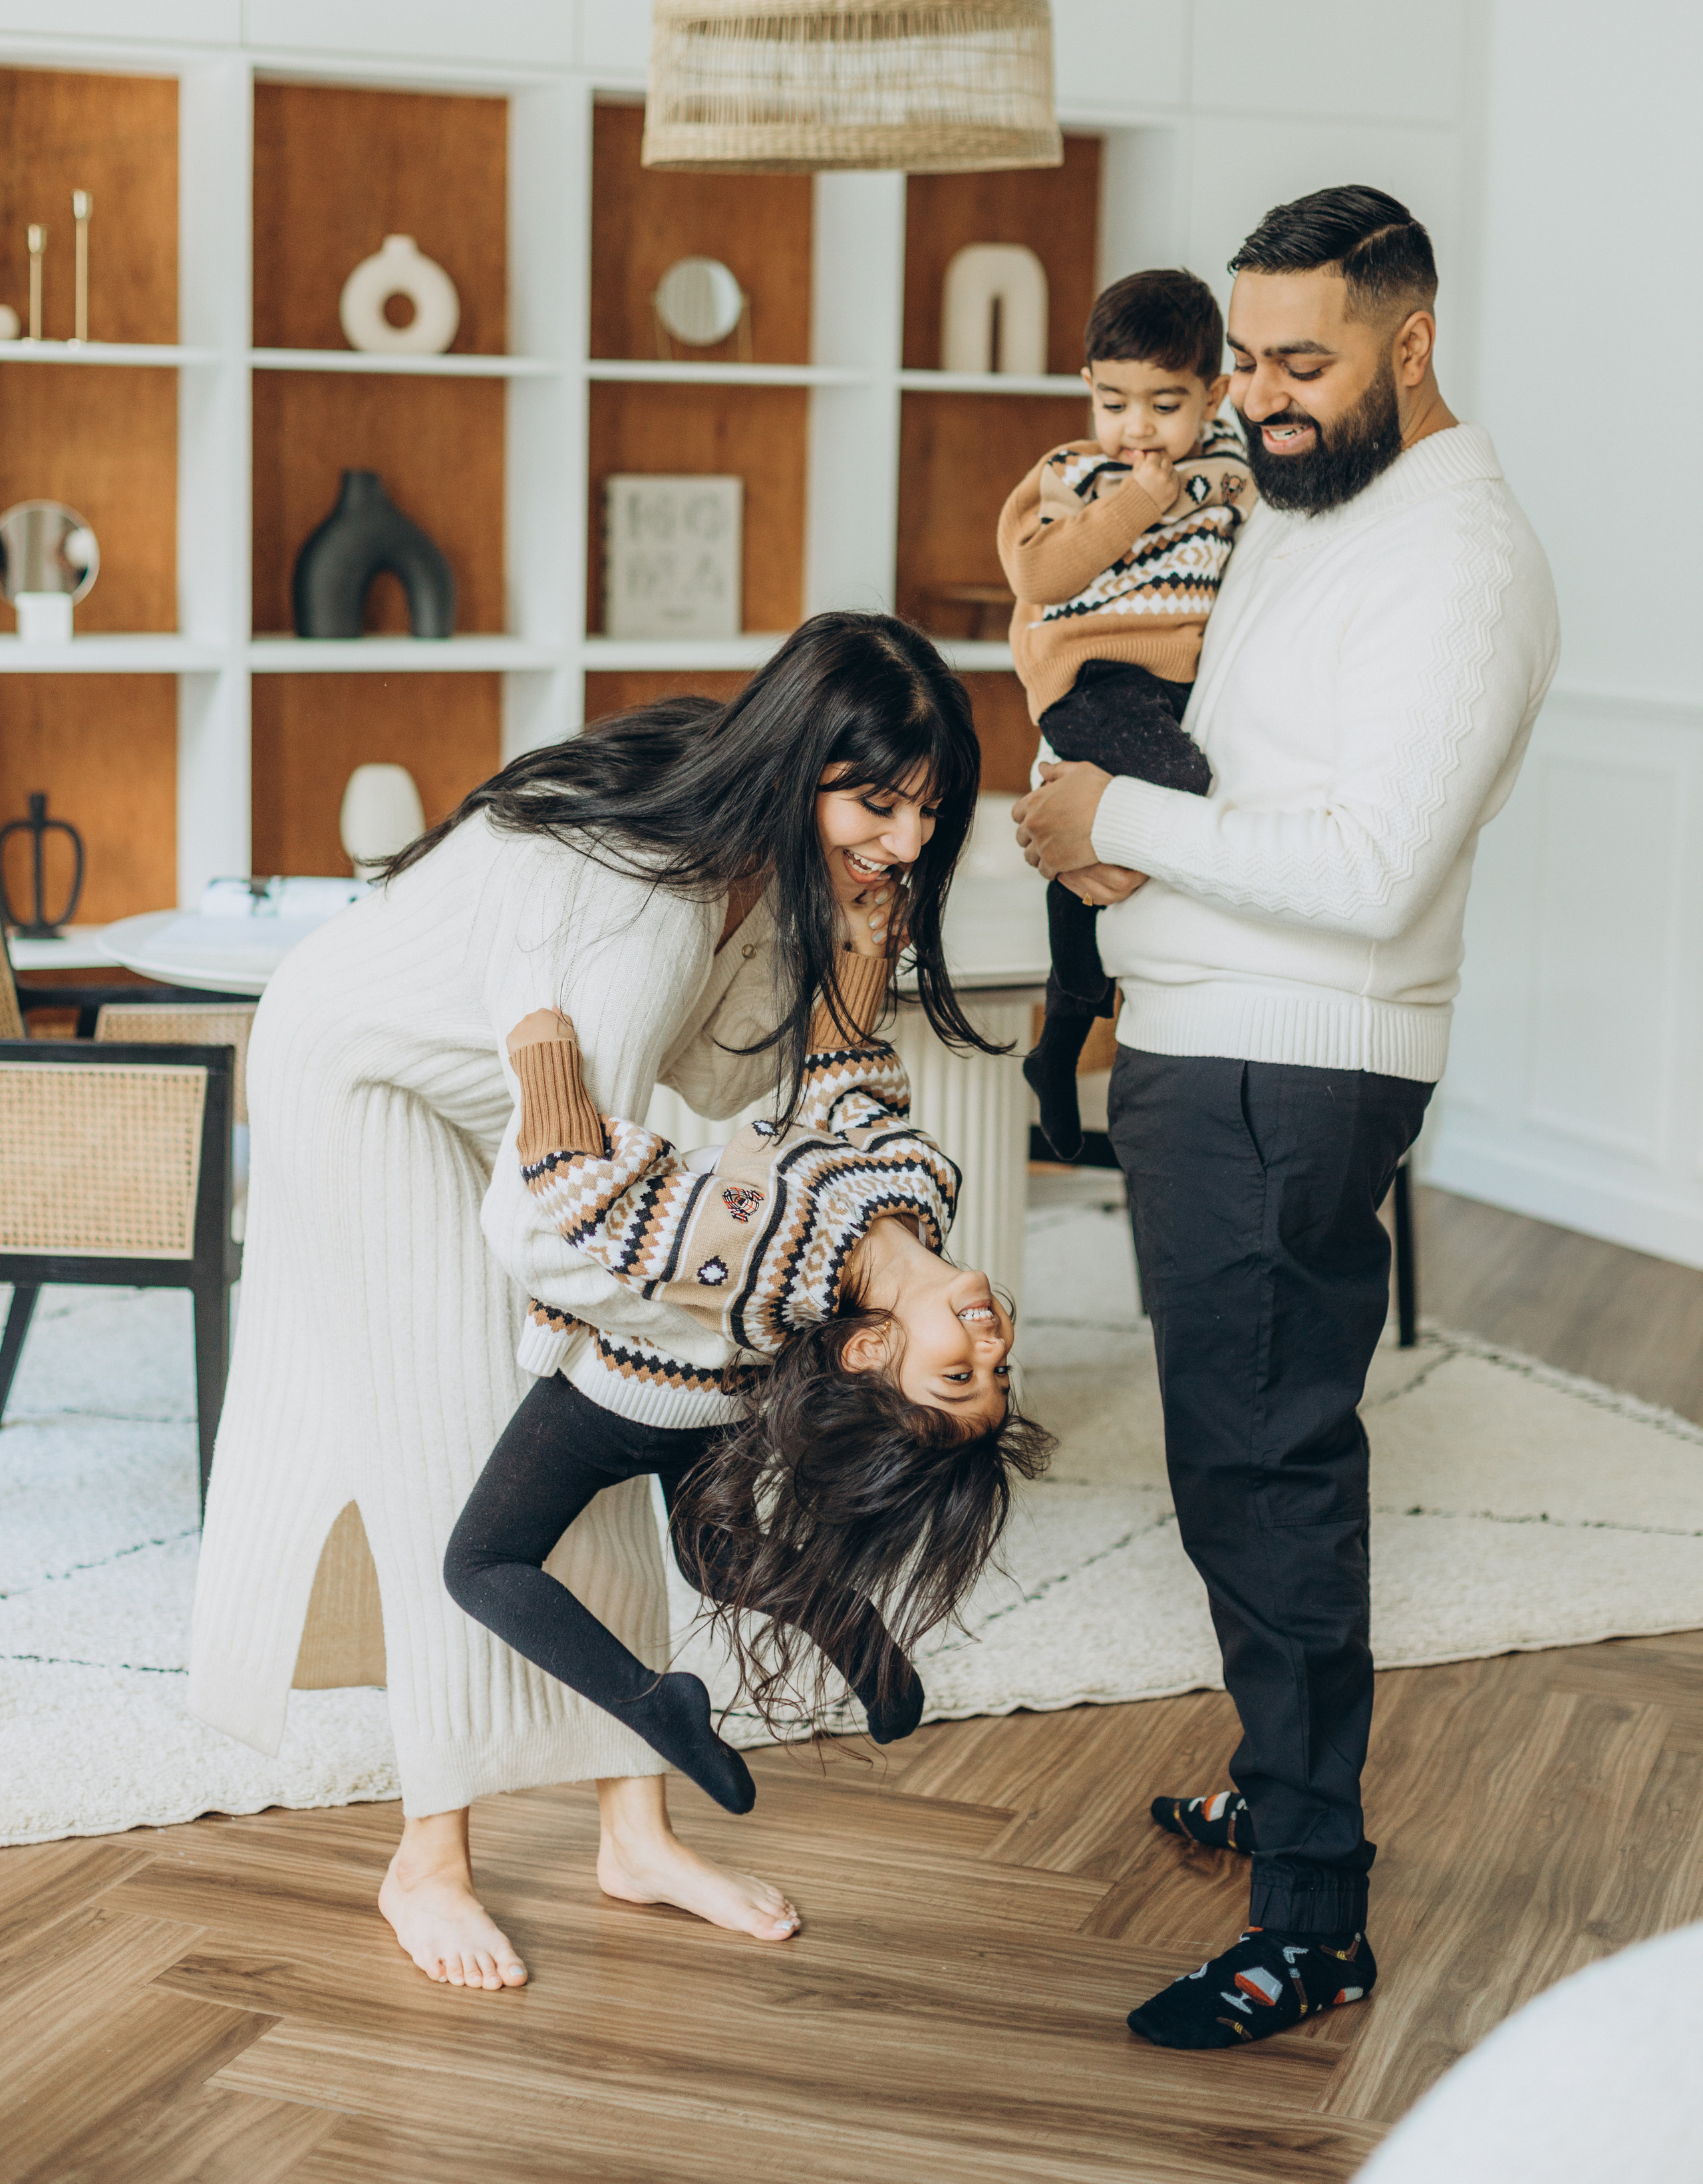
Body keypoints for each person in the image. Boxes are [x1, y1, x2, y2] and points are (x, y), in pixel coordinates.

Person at [190, 613, 992, 1993]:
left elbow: (752, 1090)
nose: (908, 842)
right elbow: (550, 1222)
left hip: (531, 1121)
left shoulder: (783, 854)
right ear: (798, 761)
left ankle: (637, 1835)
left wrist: (852, 971)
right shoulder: (639, 912)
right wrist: (740, 1310)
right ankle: (427, 1860)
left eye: (929, 809)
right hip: (366, 1074)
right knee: (456, 1453)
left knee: (624, 1423)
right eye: (879, 803)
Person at [1012, 186, 1559, 2050]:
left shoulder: (1459, 558)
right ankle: (1282, 1785)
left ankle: (1314, 1921)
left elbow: (1376, 866)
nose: (1257, 397)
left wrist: (1113, 821)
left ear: (1412, 340)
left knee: (1267, 1477)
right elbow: (1238, 760)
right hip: (1209, 1045)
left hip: (1291, 1064)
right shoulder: (1316, 508)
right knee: (1230, 1461)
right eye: (1241, 359)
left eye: (1300, 362)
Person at [443, 947, 1050, 1811]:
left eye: (959, 1374)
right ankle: (849, 1624)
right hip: (726, 1403)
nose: (990, 1346)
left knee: (481, 1563)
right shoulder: (923, 1190)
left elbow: (588, 1200)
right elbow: (852, 1083)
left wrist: (542, 1055)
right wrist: (862, 944)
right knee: (713, 1558)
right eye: (997, 1370)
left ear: (869, 1352)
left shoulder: (765, 1245)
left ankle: (655, 1703)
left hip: (622, 1400)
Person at [996, 269, 1250, 1160]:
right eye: (1114, 402)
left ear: (1215, 395)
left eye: (1164, 405)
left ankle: (1061, 1043)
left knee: (1118, 831)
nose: (1137, 427)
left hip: (1173, 686)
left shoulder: (1232, 473)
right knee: (1177, 786)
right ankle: (1074, 1024)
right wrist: (1136, 498)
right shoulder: (1075, 472)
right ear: (1088, 390)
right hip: (1090, 677)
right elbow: (1037, 574)